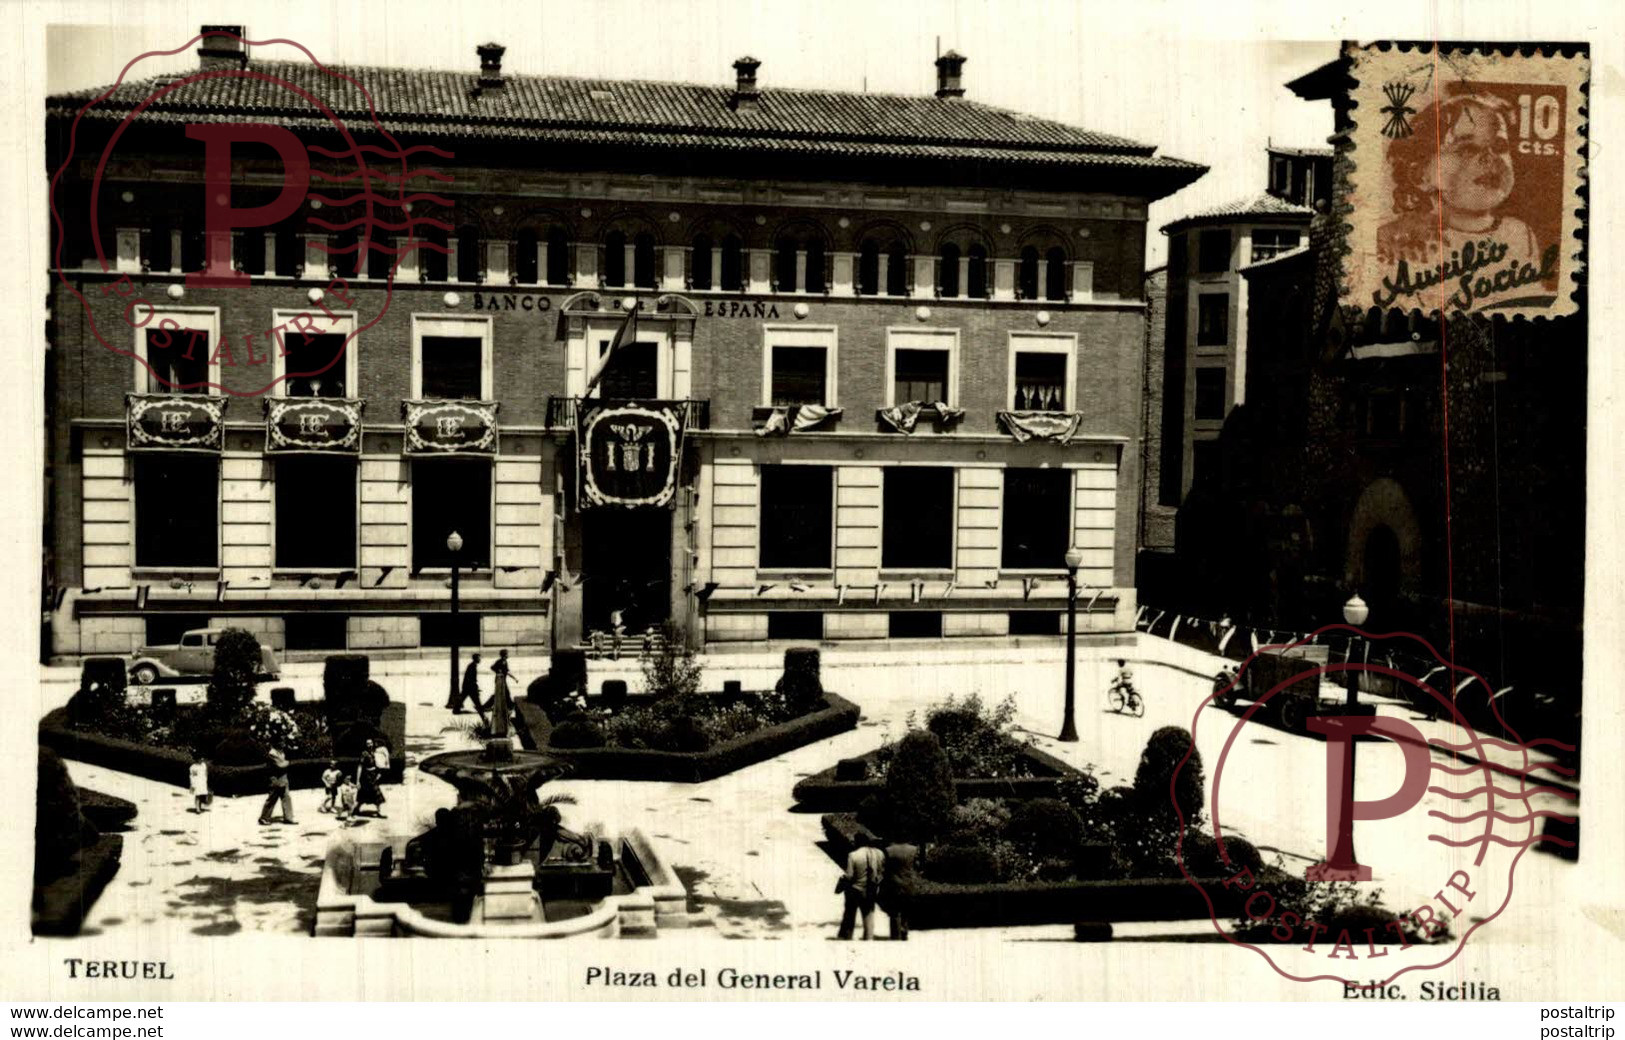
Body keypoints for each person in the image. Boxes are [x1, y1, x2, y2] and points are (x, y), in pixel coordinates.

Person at [836, 835, 886, 941]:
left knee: (850, 913)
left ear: (857, 842)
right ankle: (868, 937)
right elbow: (882, 872)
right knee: (869, 913)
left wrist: (841, 882)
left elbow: (849, 875)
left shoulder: (853, 855)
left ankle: (847, 936)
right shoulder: (879, 853)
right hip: (871, 889)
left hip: (855, 889)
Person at [880, 838, 919, 941]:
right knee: (906, 909)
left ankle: (895, 935)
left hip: (893, 884)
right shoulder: (914, 849)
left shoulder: (888, 850)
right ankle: (904, 930)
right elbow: (917, 866)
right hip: (908, 883)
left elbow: (884, 868)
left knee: (894, 911)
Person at [258, 748, 294, 825]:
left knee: (286, 798)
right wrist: (289, 762)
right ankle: (263, 818)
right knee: (272, 798)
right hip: (276, 780)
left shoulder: (281, 752)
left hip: (283, 779)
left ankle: (288, 818)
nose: (282, 743)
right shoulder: (272, 753)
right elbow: (281, 765)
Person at [354, 740, 386, 819]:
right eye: (368, 744)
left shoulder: (375, 753)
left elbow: (379, 763)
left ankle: (378, 812)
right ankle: (356, 809)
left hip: (374, 775)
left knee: (375, 793)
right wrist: (357, 781)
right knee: (365, 793)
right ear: (366, 745)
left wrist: (379, 773)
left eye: (371, 743)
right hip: (366, 777)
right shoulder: (364, 754)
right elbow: (360, 767)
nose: (370, 745)